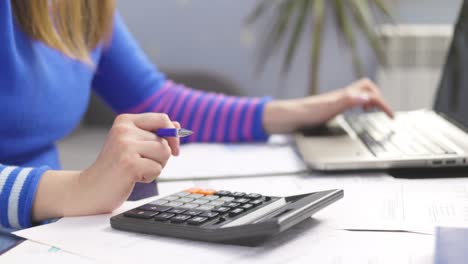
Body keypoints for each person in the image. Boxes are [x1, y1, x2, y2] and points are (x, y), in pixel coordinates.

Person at [0, 0, 393, 250]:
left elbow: (156, 102)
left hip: (52, 230)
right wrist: (76, 189)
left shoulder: (83, 7)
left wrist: (295, 112)